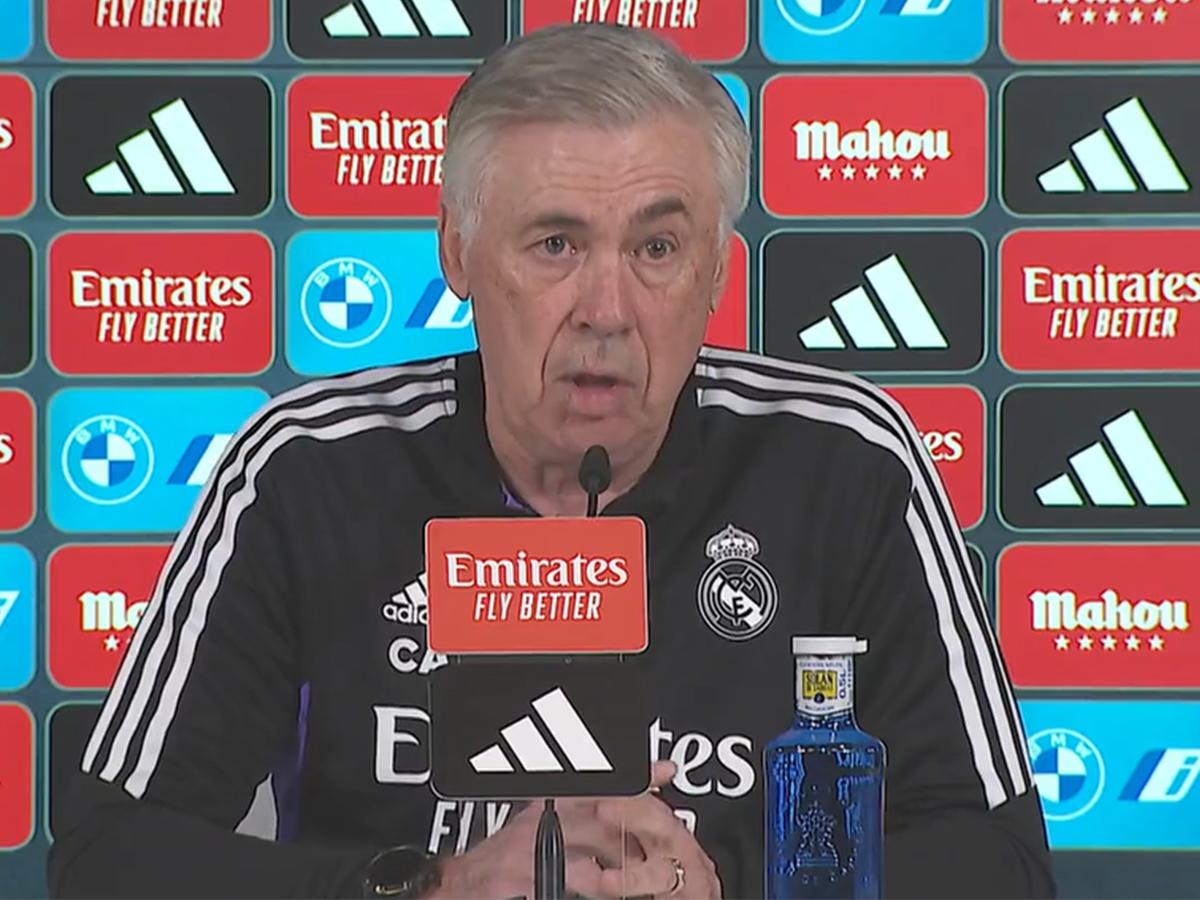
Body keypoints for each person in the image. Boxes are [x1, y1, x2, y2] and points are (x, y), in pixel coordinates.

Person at [48, 22, 1055, 900]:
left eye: (656, 249)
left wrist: (723, 886)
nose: (606, 311)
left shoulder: (846, 463)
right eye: (556, 246)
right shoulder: (309, 469)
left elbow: (999, 863)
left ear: (716, 269)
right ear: (457, 253)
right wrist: (433, 888)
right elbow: (107, 857)